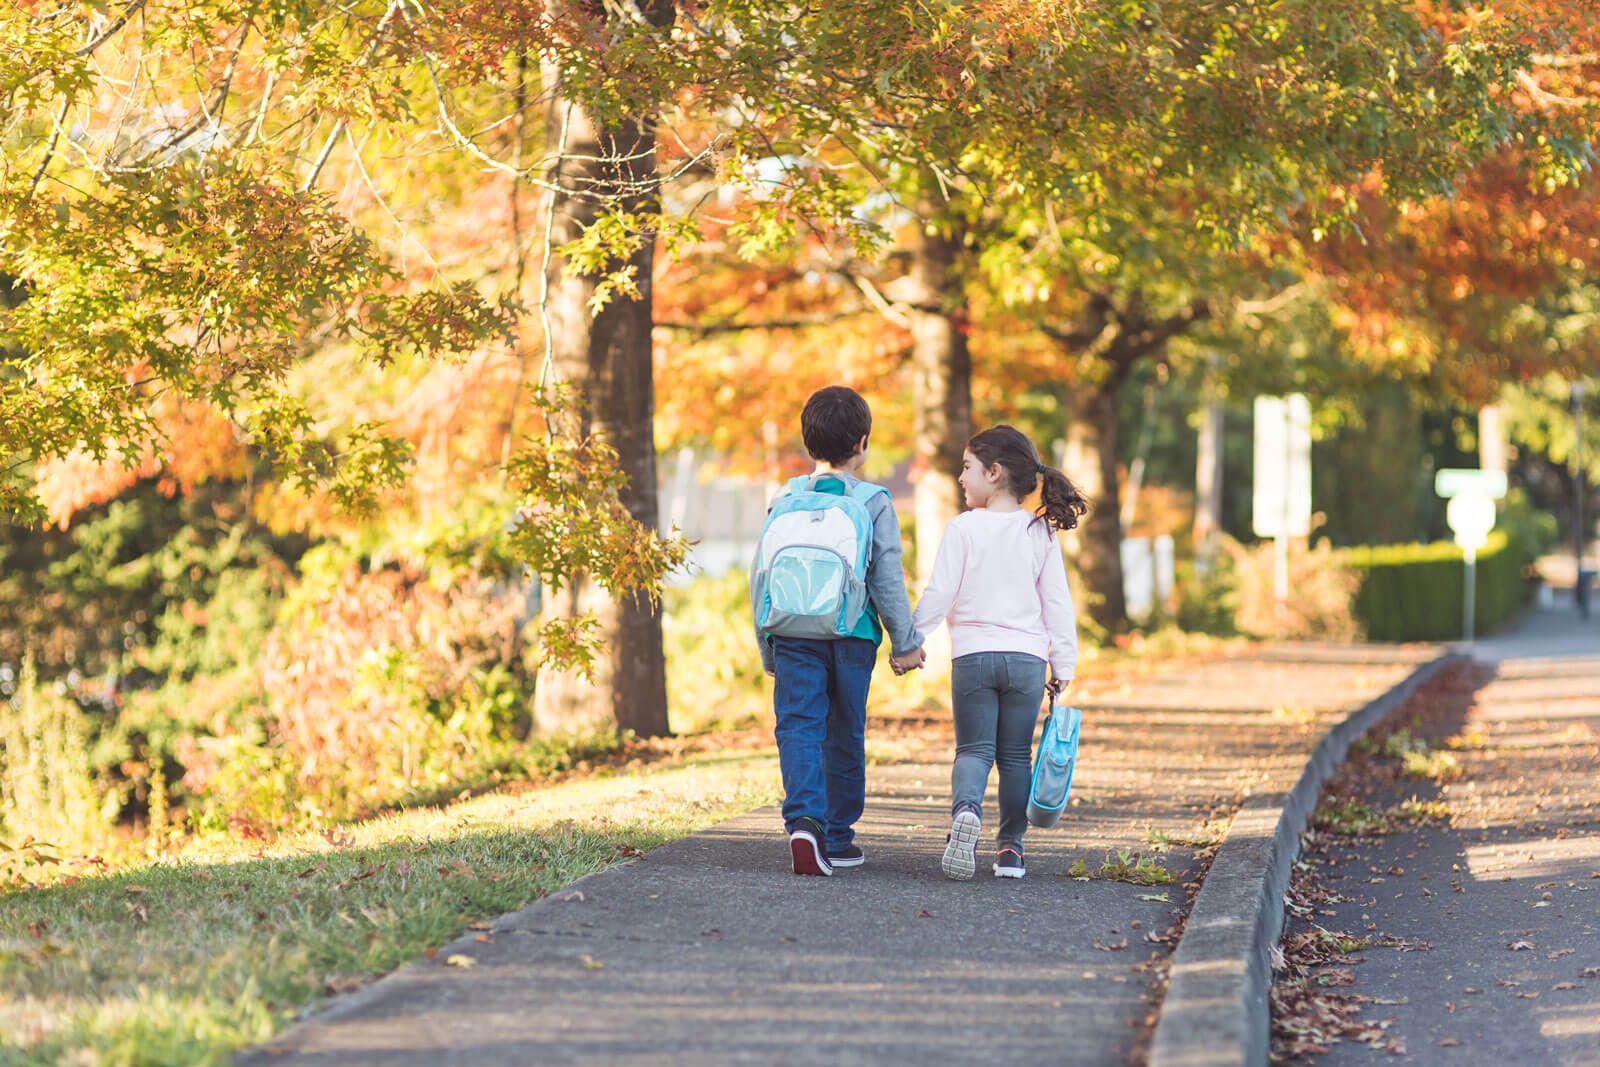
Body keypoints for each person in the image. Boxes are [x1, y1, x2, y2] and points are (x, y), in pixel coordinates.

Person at [752, 386, 926, 877]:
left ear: (808, 444)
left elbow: (760, 576)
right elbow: (886, 578)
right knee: (844, 730)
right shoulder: (873, 501)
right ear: (863, 443)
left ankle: (804, 821)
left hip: (790, 633)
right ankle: (839, 837)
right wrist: (907, 642)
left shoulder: (784, 497)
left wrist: (767, 645)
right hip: (851, 637)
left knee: (798, 726)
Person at [910, 425, 1086, 880]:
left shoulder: (964, 528)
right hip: (1026, 661)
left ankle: (965, 815)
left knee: (973, 751)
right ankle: (1010, 849)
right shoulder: (1039, 531)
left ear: (994, 472)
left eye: (967, 468)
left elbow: (939, 592)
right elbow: (1057, 603)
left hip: (973, 656)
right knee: (1014, 757)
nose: (960, 477)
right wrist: (1062, 664)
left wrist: (910, 639)